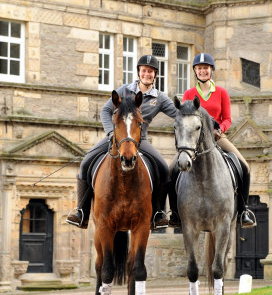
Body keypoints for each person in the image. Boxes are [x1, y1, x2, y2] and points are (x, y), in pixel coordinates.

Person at [66, 55, 178, 229]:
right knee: (86, 163)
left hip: (141, 140)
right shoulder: (124, 90)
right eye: (144, 70)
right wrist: (111, 133)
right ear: (139, 72)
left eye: (150, 71)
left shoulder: (160, 98)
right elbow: (105, 111)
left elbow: (179, 113)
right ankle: (81, 211)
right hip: (116, 138)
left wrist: (201, 116)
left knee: (164, 169)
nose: (146, 74)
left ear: (155, 74)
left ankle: (158, 212)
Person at [182, 53, 256, 228]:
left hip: (216, 137)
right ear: (195, 71)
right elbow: (184, 116)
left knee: (245, 166)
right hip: (193, 139)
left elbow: (228, 118)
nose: (202, 71)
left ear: (211, 70)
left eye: (206, 68)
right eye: (199, 68)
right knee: (171, 170)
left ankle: (243, 211)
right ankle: (176, 214)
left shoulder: (222, 92)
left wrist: (219, 130)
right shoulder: (189, 93)